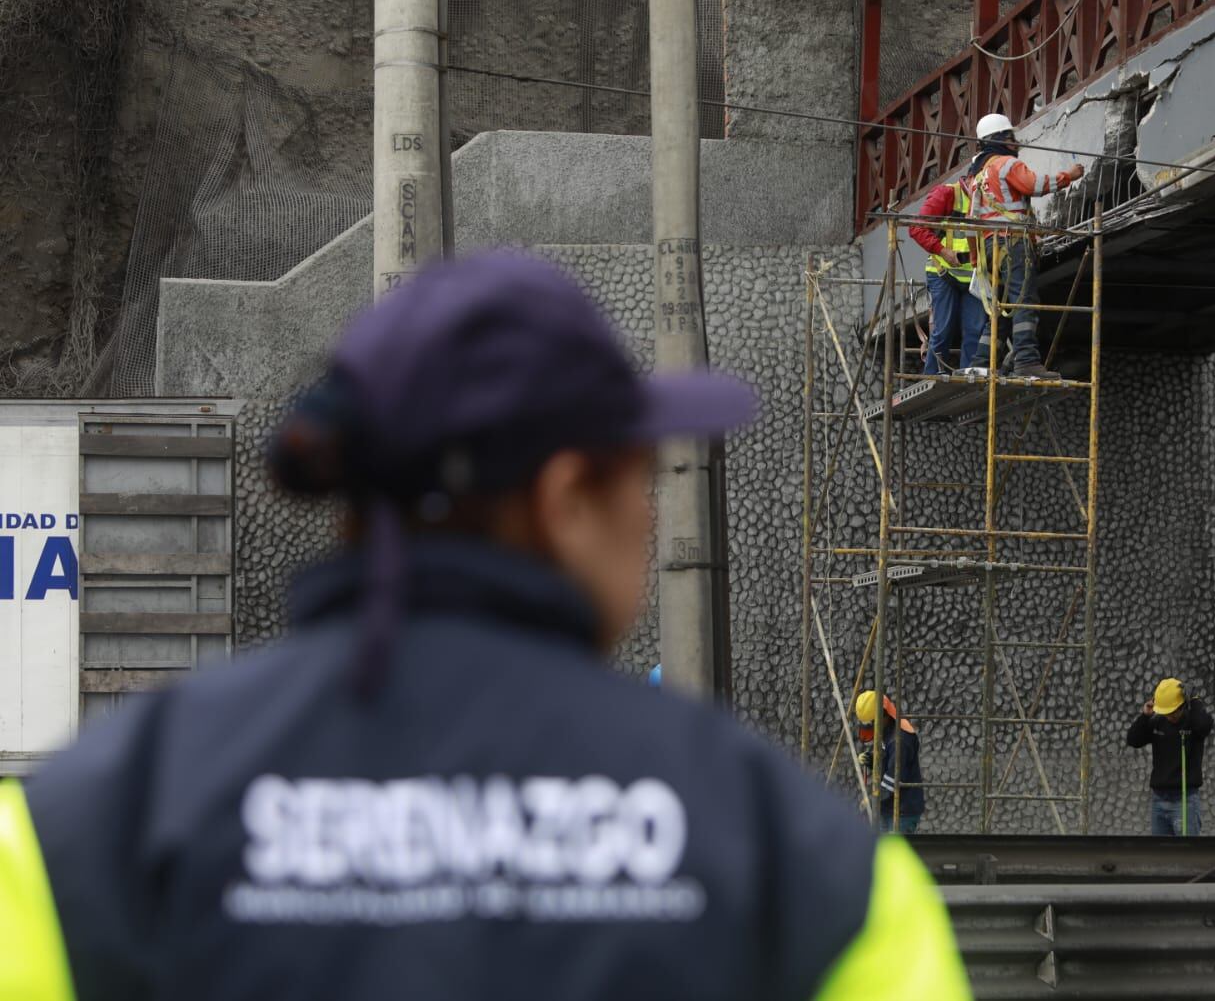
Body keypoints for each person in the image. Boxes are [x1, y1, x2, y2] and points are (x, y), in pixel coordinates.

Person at [0, 252, 970, 1001]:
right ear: (563, 498)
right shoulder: (799, 862)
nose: (650, 515)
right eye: (640, 476)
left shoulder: (82, 833)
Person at [965, 112, 1084, 381]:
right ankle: (1027, 361)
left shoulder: (977, 175)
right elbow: (1034, 185)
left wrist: (975, 259)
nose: (1016, 142)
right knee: (1022, 301)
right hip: (1012, 242)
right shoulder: (1006, 164)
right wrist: (1070, 176)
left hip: (989, 248)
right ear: (1003, 139)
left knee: (998, 308)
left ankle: (982, 363)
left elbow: (972, 220)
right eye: (1012, 137)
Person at [907, 177, 984, 373]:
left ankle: (969, 379)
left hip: (974, 276)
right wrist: (942, 251)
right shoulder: (948, 194)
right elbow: (916, 228)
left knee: (975, 331)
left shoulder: (989, 198)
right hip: (943, 272)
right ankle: (932, 376)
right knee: (943, 330)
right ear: (971, 178)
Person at [1126, 677, 1213, 836]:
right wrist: (1145, 716)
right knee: (1160, 856)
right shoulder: (1158, 722)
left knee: (1187, 854)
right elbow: (1133, 740)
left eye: (1173, 712)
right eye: (1166, 713)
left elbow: (1204, 726)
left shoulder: (1193, 722)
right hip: (1159, 800)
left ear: (1183, 706)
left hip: (1185, 800)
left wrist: (1195, 701)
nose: (1170, 717)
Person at [855, 691, 924, 834]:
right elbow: (887, 758)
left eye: (872, 724)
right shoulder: (888, 731)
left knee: (895, 853)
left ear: (883, 716)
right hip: (887, 806)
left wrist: (872, 799)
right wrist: (873, 760)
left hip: (902, 810)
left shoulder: (901, 740)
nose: (871, 729)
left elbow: (893, 777)